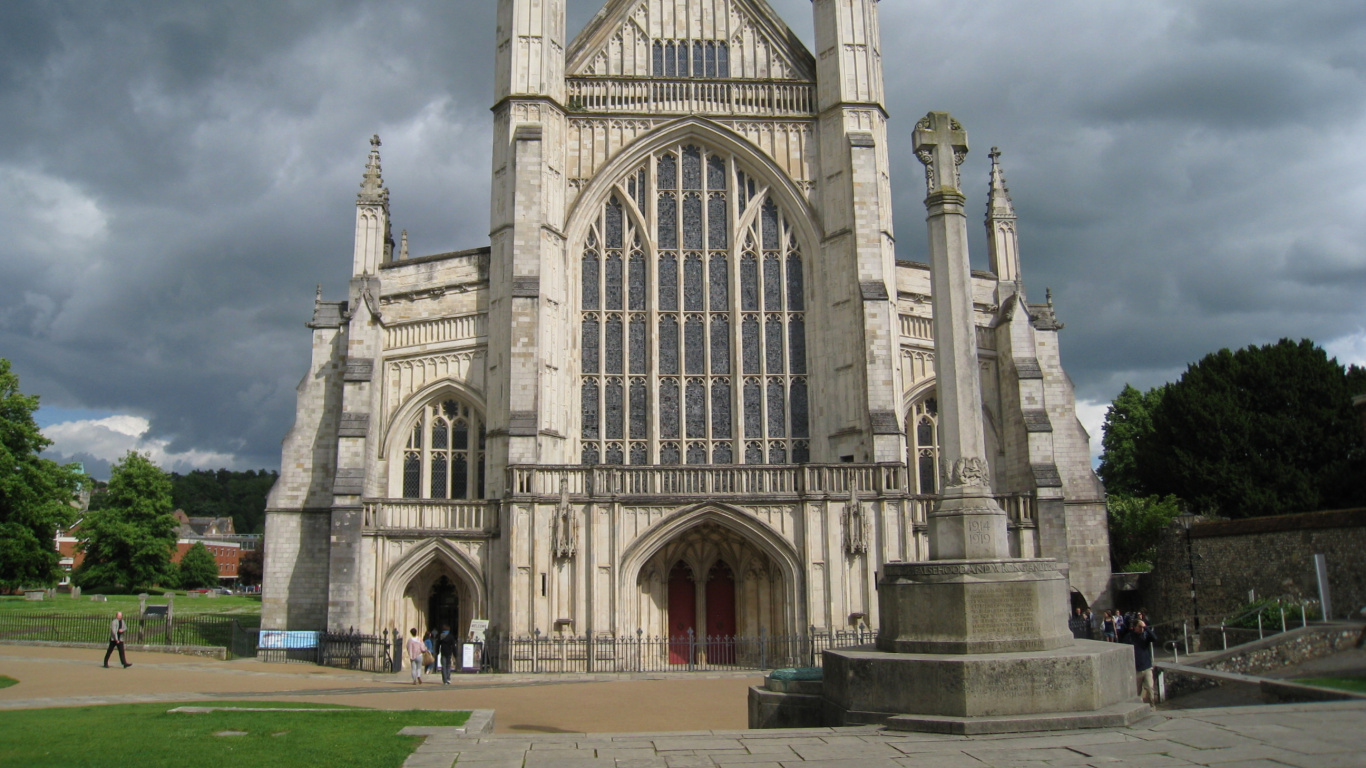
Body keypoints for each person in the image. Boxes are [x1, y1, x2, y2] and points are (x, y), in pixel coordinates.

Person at [1122, 618, 1159, 704]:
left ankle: (1152, 706)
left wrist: (1146, 628)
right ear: (1134, 627)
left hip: (1146, 667)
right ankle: (1136, 707)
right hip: (1136, 669)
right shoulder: (1129, 637)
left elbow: (1155, 638)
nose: (1141, 629)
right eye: (1139, 627)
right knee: (1136, 692)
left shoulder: (1145, 636)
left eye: (1142, 627)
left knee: (1150, 688)